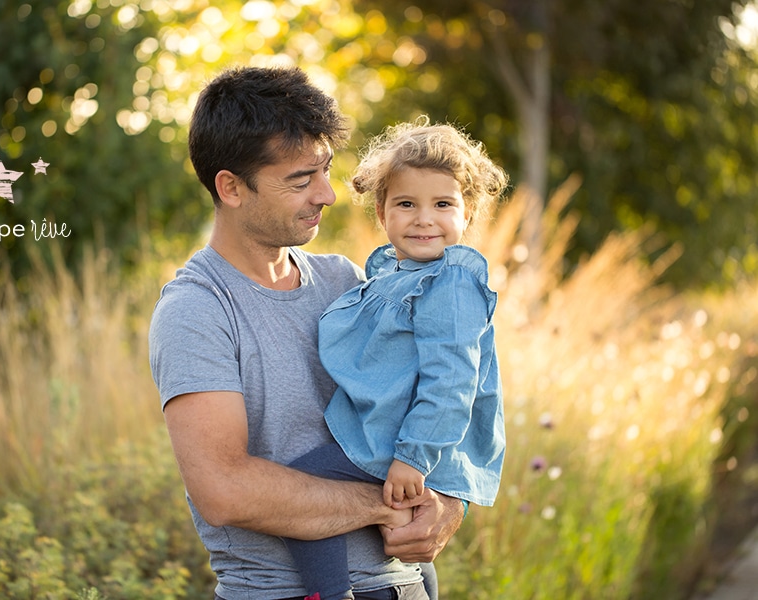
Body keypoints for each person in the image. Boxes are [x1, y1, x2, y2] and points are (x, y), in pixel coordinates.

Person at [149, 65, 466, 600]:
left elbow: (427, 393)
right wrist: (385, 503)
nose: (328, 194)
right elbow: (224, 490)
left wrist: (446, 503)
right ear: (230, 187)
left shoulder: (347, 281)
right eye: (300, 180)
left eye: (324, 170)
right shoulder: (197, 311)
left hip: (405, 586)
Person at [283, 118, 508, 600]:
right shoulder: (392, 273)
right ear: (382, 214)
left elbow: (451, 382)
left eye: (443, 204)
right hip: (397, 440)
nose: (424, 218)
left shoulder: (450, 283)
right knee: (406, 545)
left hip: (407, 445)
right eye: (406, 204)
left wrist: (413, 457)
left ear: (467, 214)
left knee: (303, 485)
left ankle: (326, 594)